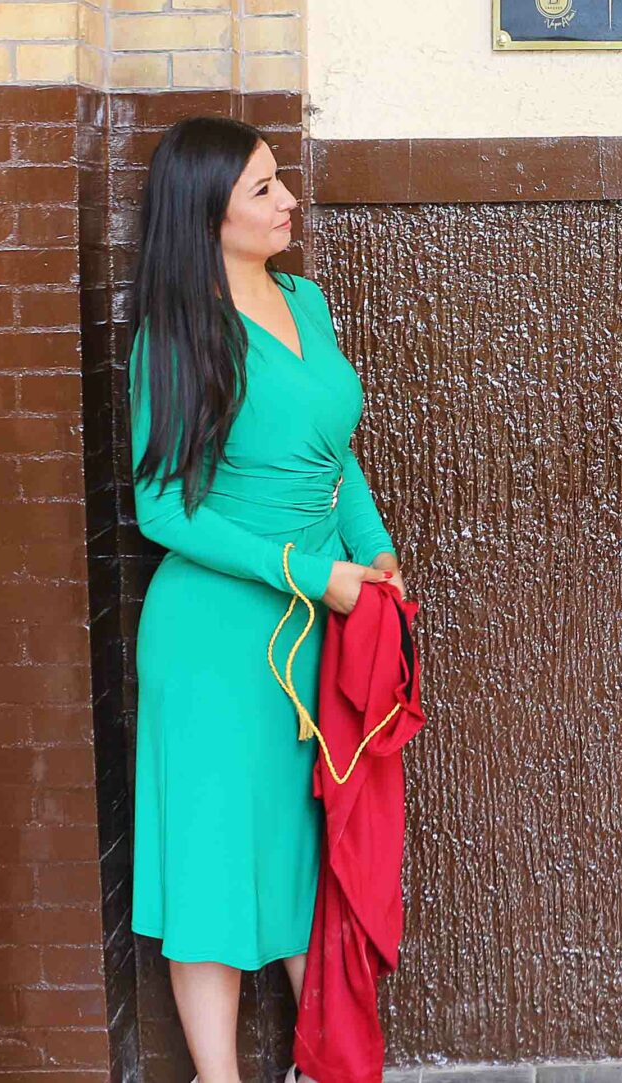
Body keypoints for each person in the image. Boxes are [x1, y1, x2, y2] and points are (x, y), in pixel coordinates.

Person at [127, 116, 400, 1083]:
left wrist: (375, 550)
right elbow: (161, 507)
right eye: (262, 190)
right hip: (215, 638)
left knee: (301, 850)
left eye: (280, 182)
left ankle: (329, 1061)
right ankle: (219, 1076)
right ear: (207, 213)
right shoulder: (176, 331)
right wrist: (308, 572)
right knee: (208, 854)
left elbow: (337, 451)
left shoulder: (305, 300)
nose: (289, 201)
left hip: (319, 620)